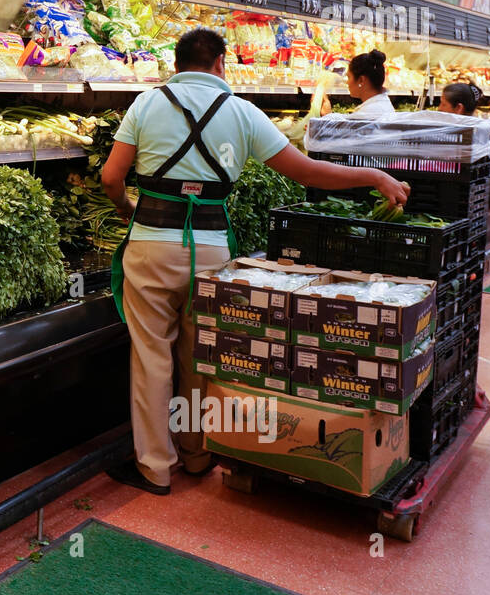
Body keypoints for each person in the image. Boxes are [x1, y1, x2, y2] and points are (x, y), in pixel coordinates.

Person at [100, 28, 409, 495]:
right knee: (199, 356)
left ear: (177, 63)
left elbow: (110, 177)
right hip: (211, 251)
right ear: (221, 63)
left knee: (150, 359)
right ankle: (199, 454)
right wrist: (373, 176)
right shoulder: (242, 112)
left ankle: (155, 468)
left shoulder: (147, 103)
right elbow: (307, 171)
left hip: (151, 244)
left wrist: (128, 209)